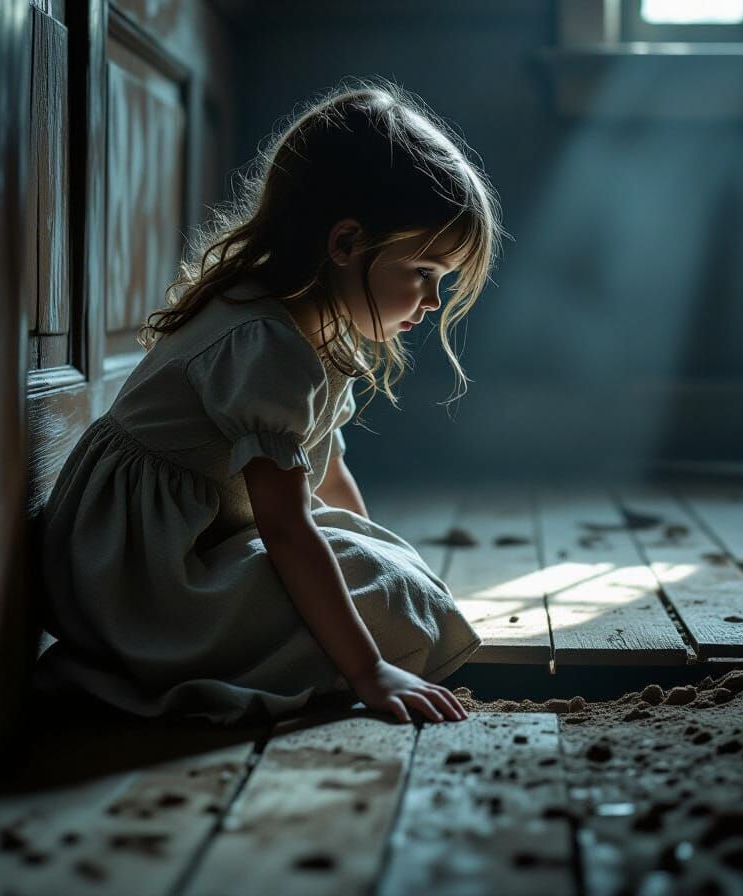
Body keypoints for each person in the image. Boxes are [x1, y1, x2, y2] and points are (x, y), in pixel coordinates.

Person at [34, 79, 508, 726]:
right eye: (423, 273)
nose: (430, 303)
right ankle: (122, 663)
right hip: (139, 582)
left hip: (193, 543)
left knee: (393, 574)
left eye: (441, 282)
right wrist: (366, 670)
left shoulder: (310, 320)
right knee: (383, 599)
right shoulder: (265, 344)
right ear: (345, 245)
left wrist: (377, 550)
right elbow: (285, 525)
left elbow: (329, 475)